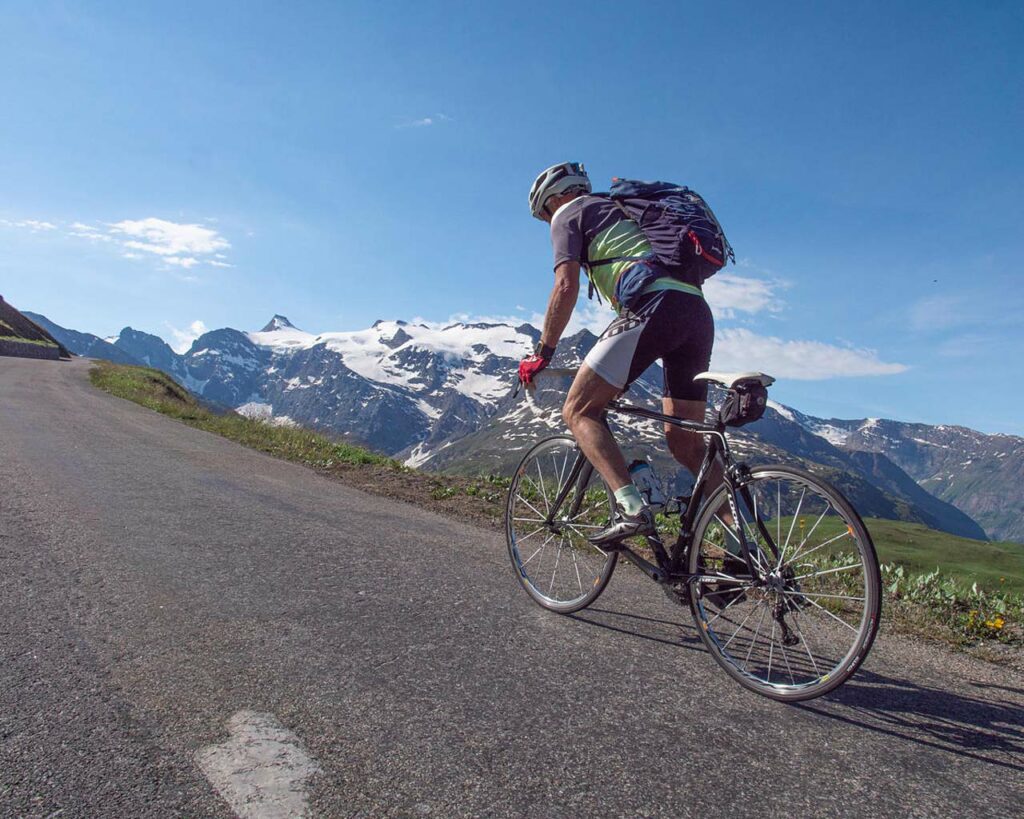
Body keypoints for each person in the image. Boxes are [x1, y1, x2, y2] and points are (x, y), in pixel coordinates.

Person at [518, 161, 722, 545]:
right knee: (685, 443)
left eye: (544, 214)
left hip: (653, 305)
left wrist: (543, 353)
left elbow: (565, 286)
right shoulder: (622, 209)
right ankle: (741, 544)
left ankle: (632, 509)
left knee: (578, 410)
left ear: (555, 199)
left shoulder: (568, 213)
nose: (548, 224)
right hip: (696, 312)